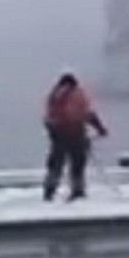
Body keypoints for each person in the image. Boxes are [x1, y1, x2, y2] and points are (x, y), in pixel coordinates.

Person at [42, 71, 108, 201]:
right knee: (77, 165)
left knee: (55, 164)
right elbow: (87, 113)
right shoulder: (77, 94)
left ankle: (49, 190)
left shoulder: (54, 95)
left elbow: (48, 119)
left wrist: (53, 132)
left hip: (59, 135)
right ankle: (77, 191)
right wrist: (100, 128)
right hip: (76, 134)